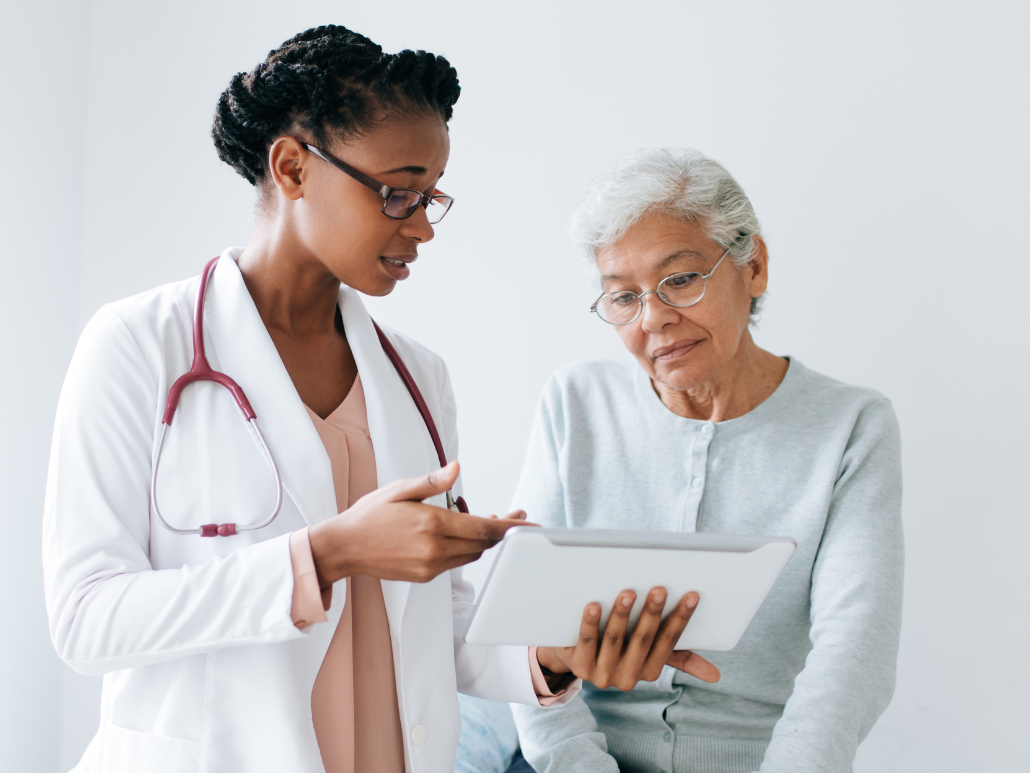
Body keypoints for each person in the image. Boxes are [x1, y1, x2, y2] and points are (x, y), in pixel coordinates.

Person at [42, 28, 718, 773]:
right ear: (293, 166)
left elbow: (439, 627)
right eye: (398, 192)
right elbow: (86, 618)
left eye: (432, 196)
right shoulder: (141, 346)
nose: (423, 226)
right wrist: (327, 554)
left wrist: (556, 655)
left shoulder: (418, 378)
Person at [510, 148, 904, 773]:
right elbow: (525, 628)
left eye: (681, 279)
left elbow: (855, 651)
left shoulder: (851, 426)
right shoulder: (574, 403)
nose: (656, 319)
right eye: (623, 297)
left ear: (754, 267)